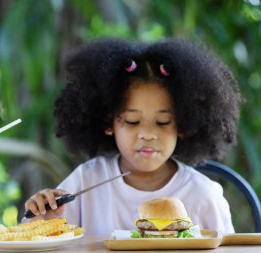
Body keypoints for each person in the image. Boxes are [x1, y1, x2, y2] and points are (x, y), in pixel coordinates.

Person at [24, 38, 242, 236]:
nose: (147, 134)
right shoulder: (86, 180)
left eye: (163, 122)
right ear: (109, 122)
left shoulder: (202, 194)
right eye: (132, 121)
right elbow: (31, 238)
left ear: (183, 125)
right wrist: (42, 220)